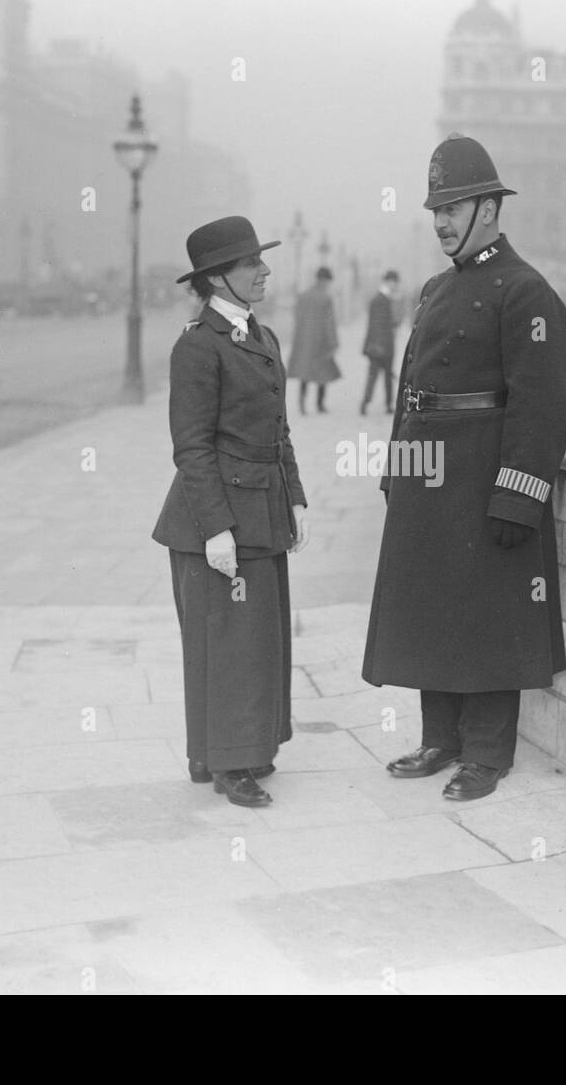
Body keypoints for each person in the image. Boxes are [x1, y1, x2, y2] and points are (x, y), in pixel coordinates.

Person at [362, 134, 566, 802]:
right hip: (429, 479)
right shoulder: (434, 290)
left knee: (488, 614)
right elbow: (412, 387)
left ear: (489, 207)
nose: (442, 221)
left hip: (485, 478)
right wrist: (399, 468)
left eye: (454, 206)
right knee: (432, 607)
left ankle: (486, 753)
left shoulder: (526, 293)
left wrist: (519, 494)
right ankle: (440, 739)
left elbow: (543, 405)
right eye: (435, 209)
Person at [151, 216, 310, 808]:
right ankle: (226, 763)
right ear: (218, 278)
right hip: (213, 518)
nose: (264, 270)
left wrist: (294, 496)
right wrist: (216, 527)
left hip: (262, 508)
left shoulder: (259, 337)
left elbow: (279, 430)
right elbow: (191, 446)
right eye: (251, 264)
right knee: (227, 643)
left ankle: (237, 749)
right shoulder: (197, 347)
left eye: (261, 261)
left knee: (257, 638)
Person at [288, 265, 340, 413]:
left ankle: (302, 403)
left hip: (305, 341)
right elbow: (329, 323)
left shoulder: (304, 296)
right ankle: (320, 404)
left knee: (305, 372)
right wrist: (333, 342)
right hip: (321, 341)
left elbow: (297, 318)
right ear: (324, 280)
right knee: (322, 373)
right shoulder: (326, 298)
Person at [360, 269, 401, 415]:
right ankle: (365, 403)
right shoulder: (380, 300)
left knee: (384, 378)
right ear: (389, 282)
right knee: (375, 377)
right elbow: (376, 325)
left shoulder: (386, 299)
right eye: (394, 282)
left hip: (384, 345)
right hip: (380, 347)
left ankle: (385, 404)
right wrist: (377, 346)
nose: (396, 285)